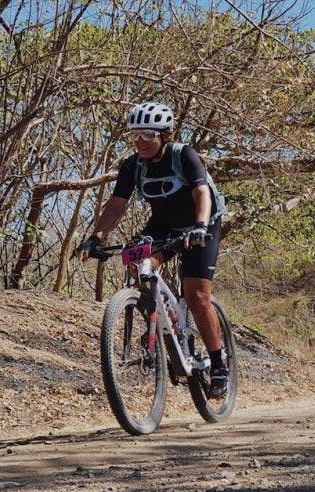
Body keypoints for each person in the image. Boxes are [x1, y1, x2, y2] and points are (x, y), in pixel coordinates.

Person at [77, 101, 229, 398]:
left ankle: (218, 362)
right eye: (135, 135)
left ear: (164, 135)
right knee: (139, 265)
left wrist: (199, 226)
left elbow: (201, 193)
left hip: (203, 222)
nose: (141, 142)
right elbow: (117, 204)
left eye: (148, 135)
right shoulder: (133, 165)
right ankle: (162, 327)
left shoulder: (184, 155)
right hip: (163, 225)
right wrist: (97, 236)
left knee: (197, 295)